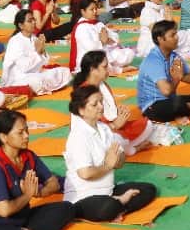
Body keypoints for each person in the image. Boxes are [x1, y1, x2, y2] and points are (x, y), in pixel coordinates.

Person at [0, 109, 74, 230]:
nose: (27, 136)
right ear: (3, 137)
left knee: (67, 208)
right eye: (20, 133)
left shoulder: (28, 156)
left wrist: (38, 192)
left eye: (27, 130)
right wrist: (28, 195)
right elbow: (4, 210)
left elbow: (54, 183)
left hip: (23, 219)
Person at [63, 85, 157, 222]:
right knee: (107, 206)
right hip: (83, 197)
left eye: (101, 102)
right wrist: (108, 165)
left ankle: (118, 205)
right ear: (81, 110)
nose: (101, 107)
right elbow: (85, 173)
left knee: (148, 189)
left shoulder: (104, 128)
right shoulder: (78, 136)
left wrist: (117, 159)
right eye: (95, 104)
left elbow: (119, 159)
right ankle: (118, 204)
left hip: (108, 191)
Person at [73, 51, 157, 153]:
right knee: (116, 139)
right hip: (94, 137)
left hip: (110, 128)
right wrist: (114, 125)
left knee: (147, 125)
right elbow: (89, 129)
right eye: (104, 67)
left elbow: (108, 113)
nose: (107, 69)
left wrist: (119, 113)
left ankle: (127, 146)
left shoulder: (103, 85)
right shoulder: (84, 93)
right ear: (93, 69)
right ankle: (132, 148)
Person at [137, 20, 190, 124]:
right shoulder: (153, 60)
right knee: (178, 103)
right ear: (160, 39)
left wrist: (181, 76)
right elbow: (166, 91)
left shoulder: (174, 57)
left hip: (172, 101)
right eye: (172, 35)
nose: (177, 37)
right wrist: (176, 78)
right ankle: (189, 110)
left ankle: (184, 113)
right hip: (153, 107)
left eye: (176, 34)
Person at [0, 9, 71, 95]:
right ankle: (40, 87)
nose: (33, 22)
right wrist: (37, 52)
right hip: (17, 78)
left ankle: (41, 87)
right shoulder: (15, 41)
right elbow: (24, 67)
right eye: (30, 21)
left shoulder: (34, 38)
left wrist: (43, 51)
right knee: (38, 81)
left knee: (64, 71)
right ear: (21, 25)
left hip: (35, 73)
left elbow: (45, 61)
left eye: (34, 19)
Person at [70, 0, 134, 74]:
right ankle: (117, 69)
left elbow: (115, 36)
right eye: (91, 9)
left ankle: (112, 66)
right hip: (89, 59)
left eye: (96, 9)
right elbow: (90, 48)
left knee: (129, 53)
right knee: (99, 64)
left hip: (105, 54)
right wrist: (102, 42)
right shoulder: (81, 27)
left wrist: (108, 39)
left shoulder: (98, 23)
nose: (95, 12)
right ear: (83, 11)